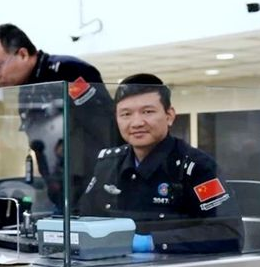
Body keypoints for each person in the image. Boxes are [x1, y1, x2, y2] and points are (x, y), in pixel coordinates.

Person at [79, 74, 243, 253]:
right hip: (110, 265)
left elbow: (229, 233)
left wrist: (153, 242)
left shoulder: (197, 167)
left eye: (148, 112)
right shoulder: (108, 164)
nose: (136, 123)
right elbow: (83, 218)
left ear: (169, 116)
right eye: (126, 114)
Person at [0, 23, 116, 211]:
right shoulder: (26, 91)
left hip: (91, 186)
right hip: (58, 188)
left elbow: (105, 129)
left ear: (22, 54)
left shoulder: (68, 72)